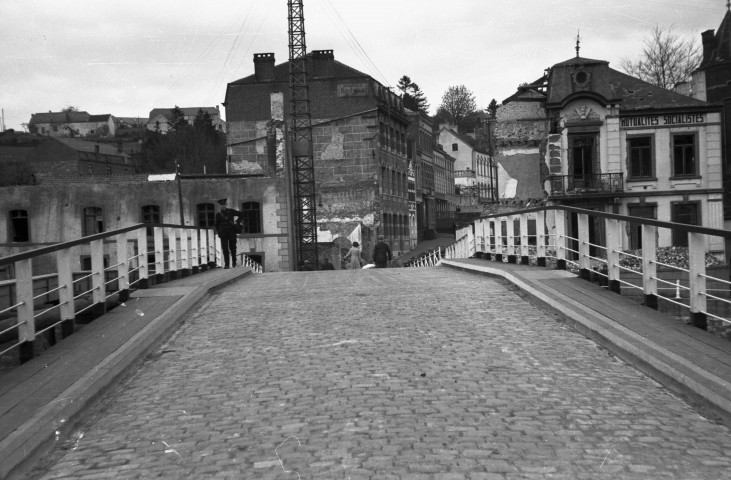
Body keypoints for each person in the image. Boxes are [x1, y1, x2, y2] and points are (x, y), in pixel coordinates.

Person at [214, 198, 244, 269]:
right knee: (225, 249)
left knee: (233, 248)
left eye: (224, 204)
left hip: (231, 232)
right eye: (221, 205)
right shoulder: (218, 215)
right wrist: (219, 232)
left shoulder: (231, 211)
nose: (223, 206)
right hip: (223, 233)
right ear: (220, 206)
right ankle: (227, 264)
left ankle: (234, 262)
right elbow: (216, 225)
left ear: (226, 204)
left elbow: (241, 214)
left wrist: (237, 222)